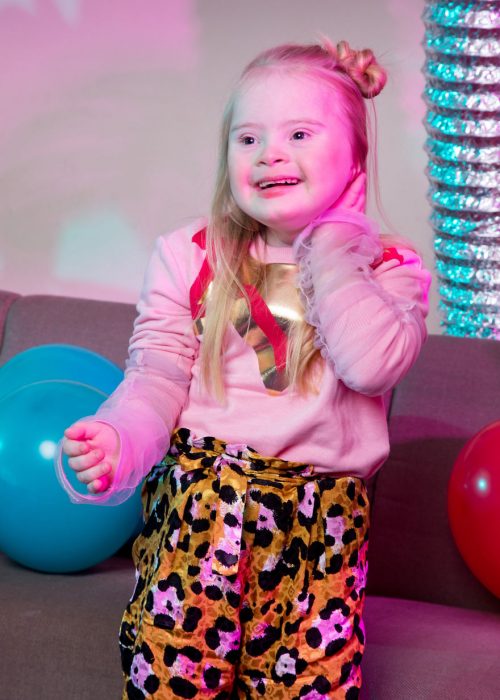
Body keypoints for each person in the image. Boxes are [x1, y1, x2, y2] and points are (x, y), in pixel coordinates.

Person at [60, 36, 431, 699]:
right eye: (248, 138)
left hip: (321, 535)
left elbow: (369, 365)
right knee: (174, 682)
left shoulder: (389, 271)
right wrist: (120, 439)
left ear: (355, 160)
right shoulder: (189, 253)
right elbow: (157, 376)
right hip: (202, 517)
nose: (270, 154)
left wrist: (336, 241)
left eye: (298, 133)